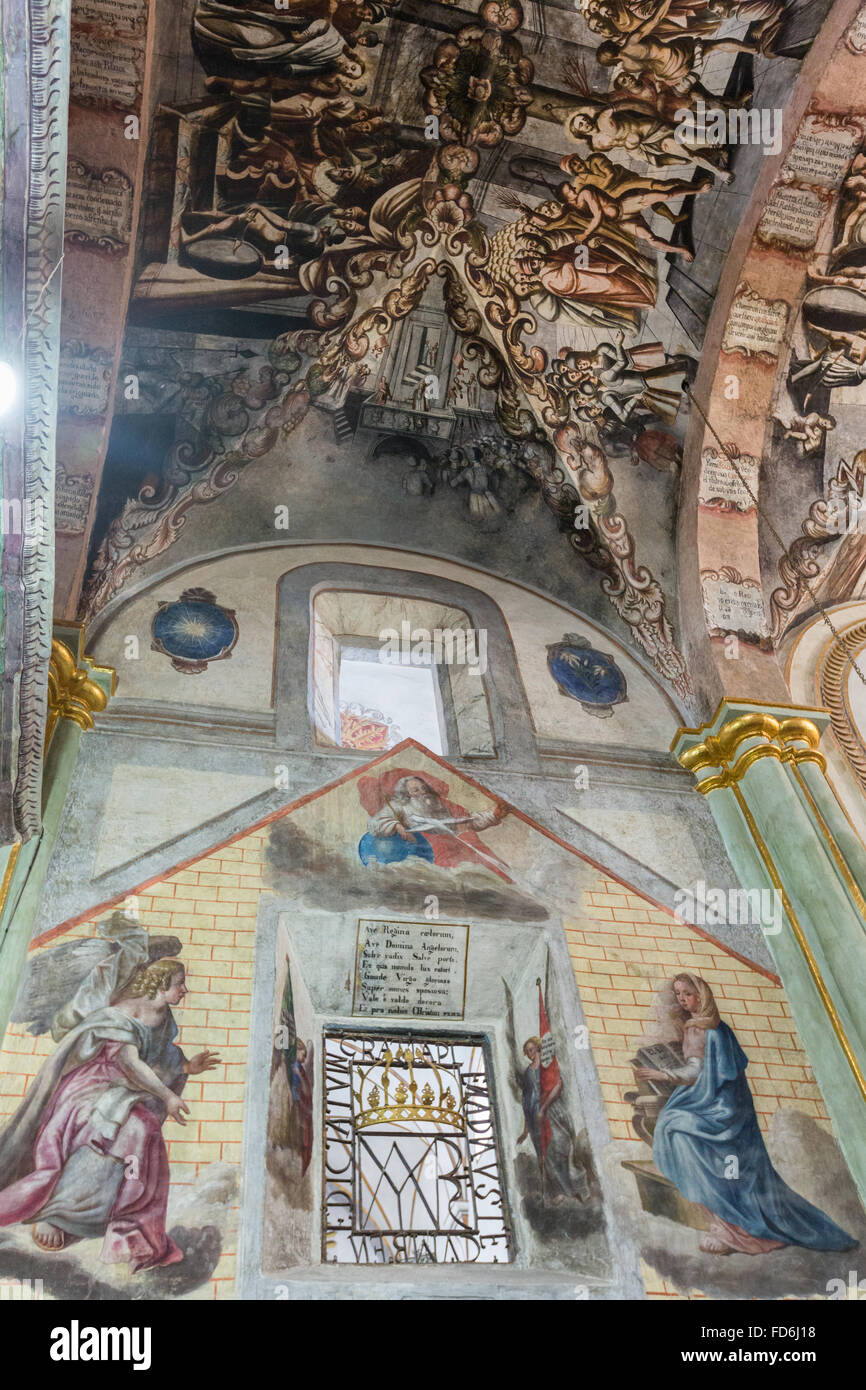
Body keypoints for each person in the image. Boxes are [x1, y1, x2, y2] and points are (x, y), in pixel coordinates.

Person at [0, 924, 220, 1271]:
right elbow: (129, 1062)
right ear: (162, 985)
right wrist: (167, 1096)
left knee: (142, 1132)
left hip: (126, 1091)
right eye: (180, 985)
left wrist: (187, 1067)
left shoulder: (163, 1017)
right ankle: (59, 1213)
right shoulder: (125, 1012)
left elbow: (160, 1058)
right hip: (91, 1088)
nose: (185, 991)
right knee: (118, 1128)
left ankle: (122, 1227)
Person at [637, 973, 857, 1255]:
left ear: (701, 994)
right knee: (675, 1128)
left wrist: (661, 1074)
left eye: (687, 993)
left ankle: (734, 1229)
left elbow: (695, 1072)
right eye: (678, 994)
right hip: (721, 1103)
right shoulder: (708, 1027)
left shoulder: (707, 1029)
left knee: (677, 1131)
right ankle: (724, 1224)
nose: (682, 999)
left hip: (723, 1110)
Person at [517, 1037, 588, 1202]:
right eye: (527, 1051)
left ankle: (574, 1188)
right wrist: (526, 1130)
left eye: (532, 1049)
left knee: (560, 1147)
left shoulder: (548, 1066)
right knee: (545, 1154)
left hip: (553, 1112)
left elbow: (558, 1085)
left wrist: (543, 1107)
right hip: (536, 1117)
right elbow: (526, 1100)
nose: (529, 1053)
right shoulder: (528, 1072)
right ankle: (557, 1192)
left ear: (539, 1048)